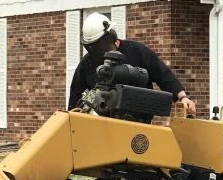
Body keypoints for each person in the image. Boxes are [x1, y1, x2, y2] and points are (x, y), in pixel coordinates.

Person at [68, 12, 196, 115]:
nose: (97, 51)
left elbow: (162, 74)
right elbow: (75, 95)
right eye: (92, 47)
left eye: (99, 45)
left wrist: (182, 98)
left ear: (111, 36)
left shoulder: (136, 51)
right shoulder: (87, 63)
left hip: (139, 121)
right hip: (102, 125)